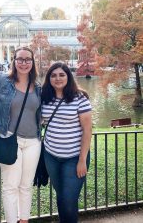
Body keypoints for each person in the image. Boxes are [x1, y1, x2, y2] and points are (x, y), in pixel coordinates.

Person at [0, 46, 42, 223]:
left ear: (32, 62)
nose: (24, 63)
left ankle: (24, 220)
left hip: (33, 141)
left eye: (28, 59)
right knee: (10, 186)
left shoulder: (37, 85)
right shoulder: (2, 82)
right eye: (20, 59)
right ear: (14, 60)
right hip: (9, 139)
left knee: (26, 186)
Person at [41, 62, 92, 223]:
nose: (57, 78)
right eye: (53, 75)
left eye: (62, 75)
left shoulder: (79, 97)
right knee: (61, 197)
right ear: (49, 78)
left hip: (74, 157)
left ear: (68, 77)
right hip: (51, 156)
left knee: (69, 201)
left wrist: (82, 160)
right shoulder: (45, 97)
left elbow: (87, 130)